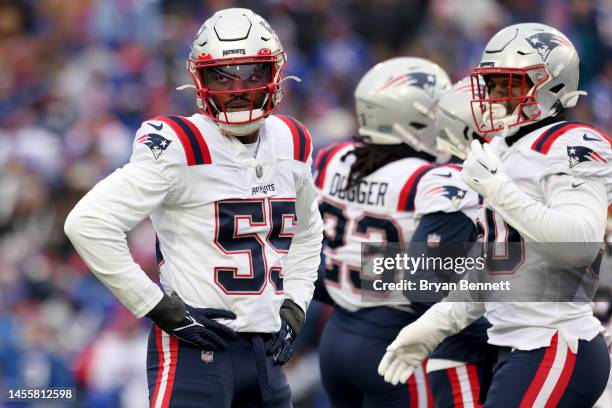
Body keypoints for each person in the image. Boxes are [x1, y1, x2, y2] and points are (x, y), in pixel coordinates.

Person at [64, 8, 323, 408]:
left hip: (267, 358)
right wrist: (156, 306)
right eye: (222, 74)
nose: (237, 88)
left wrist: (296, 303)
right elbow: (88, 223)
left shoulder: (292, 140)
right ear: (199, 79)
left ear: (275, 73)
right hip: (193, 354)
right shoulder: (180, 144)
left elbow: (307, 232)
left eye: (252, 71)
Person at [379, 23, 611, 407]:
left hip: (555, 342)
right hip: (516, 345)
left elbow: (578, 245)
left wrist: (497, 189)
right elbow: (494, 269)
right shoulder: (504, 147)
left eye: (510, 84)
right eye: (493, 84)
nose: (497, 96)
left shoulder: (572, 145)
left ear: (551, 86)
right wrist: (434, 326)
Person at [314, 56, 451, 407]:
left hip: (335, 336)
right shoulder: (426, 179)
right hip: (395, 339)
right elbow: (427, 284)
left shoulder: (332, 159)